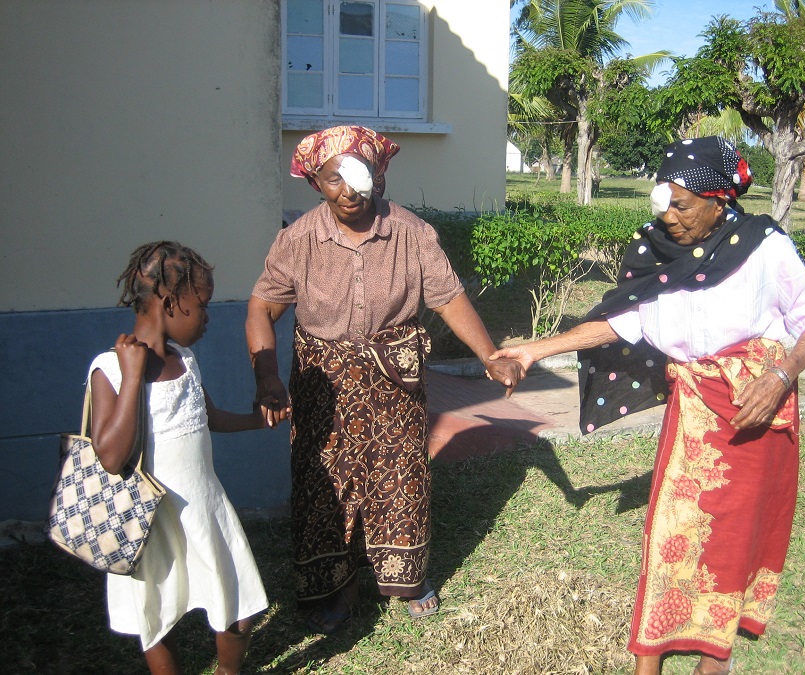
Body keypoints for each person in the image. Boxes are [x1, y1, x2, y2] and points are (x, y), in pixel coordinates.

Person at [491, 137, 805, 675]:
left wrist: (782, 375)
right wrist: (535, 350)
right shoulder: (658, 251)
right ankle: (648, 660)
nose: (669, 218)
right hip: (695, 411)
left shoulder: (764, 247)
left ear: (720, 199)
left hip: (755, 411)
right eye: (663, 203)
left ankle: (713, 657)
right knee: (671, 533)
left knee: (734, 535)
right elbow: (617, 320)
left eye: (682, 205)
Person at [245, 125, 520, 633]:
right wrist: (266, 377)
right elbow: (262, 308)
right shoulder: (299, 239)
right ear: (316, 183)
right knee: (323, 481)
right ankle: (334, 583)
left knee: (401, 477)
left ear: (377, 176)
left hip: (392, 378)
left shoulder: (411, 233)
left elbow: (446, 297)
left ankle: (405, 577)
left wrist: (488, 355)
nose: (348, 192)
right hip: (321, 384)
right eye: (334, 180)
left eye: (358, 177)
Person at [88, 241, 270, 674]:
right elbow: (111, 456)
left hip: (203, 508)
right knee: (157, 617)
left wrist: (259, 420)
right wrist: (133, 376)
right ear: (170, 302)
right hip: (148, 520)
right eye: (202, 305)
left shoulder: (186, 360)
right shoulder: (108, 369)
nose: (208, 316)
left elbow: (208, 418)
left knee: (237, 604)